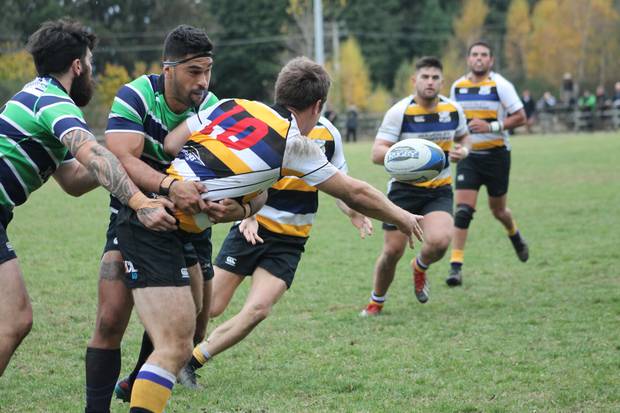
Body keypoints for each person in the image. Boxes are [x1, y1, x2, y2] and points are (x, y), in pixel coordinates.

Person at [119, 56, 424, 413]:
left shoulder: (232, 105)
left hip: (168, 223)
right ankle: (133, 381)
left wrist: (240, 201)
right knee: (175, 345)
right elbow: (354, 192)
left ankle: (135, 382)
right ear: (317, 106)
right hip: (158, 224)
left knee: (184, 338)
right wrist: (401, 216)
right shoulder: (295, 145)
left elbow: (172, 144)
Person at [84, 25, 257, 413]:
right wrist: (165, 187)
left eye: (208, 70)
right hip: (135, 213)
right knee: (112, 318)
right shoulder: (136, 95)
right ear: (168, 68)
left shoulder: (210, 106)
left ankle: (138, 379)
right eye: (194, 71)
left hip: (192, 222)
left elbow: (235, 169)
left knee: (194, 325)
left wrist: (238, 207)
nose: (203, 81)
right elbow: (122, 159)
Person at [0, 20, 174, 377]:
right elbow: (90, 154)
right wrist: (141, 202)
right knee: (14, 319)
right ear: (77, 65)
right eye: (90, 64)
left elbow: (75, 180)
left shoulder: (37, 96)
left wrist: (124, 151)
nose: (91, 73)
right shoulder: (53, 101)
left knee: (14, 319)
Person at [175, 116, 372, 387]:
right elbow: (239, 173)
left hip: (291, 240)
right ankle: (162, 355)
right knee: (211, 306)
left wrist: (354, 212)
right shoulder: (268, 126)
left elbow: (340, 183)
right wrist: (247, 215)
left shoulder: (329, 134)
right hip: (252, 229)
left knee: (258, 309)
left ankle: (191, 362)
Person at [360, 57, 470, 316]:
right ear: (414, 80)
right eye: (425, 77)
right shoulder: (400, 112)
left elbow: (465, 138)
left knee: (441, 241)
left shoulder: (453, 110)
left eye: (435, 78)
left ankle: (420, 266)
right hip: (403, 191)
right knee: (392, 251)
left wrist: (463, 150)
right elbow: (377, 153)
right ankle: (377, 301)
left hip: (439, 189)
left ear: (442, 82)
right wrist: (407, 157)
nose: (430, 82)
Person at [446, 41, 528, 287]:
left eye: (484, 55)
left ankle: (514, 233)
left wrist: (492, 126)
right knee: (462, 212)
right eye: (474, 54)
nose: (479, 58)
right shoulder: (457, 87)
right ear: (468, 59)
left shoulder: (500, 85)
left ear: (491, 60)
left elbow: (521, 117)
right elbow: (452, 120)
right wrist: (451, 145)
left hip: (497, 156)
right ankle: (455, 267)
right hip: (469, 157)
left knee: (498, 210)